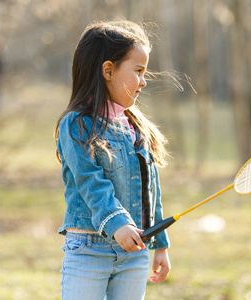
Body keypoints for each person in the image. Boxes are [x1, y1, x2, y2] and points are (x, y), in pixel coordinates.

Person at [54, 20, 171, 300]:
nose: (144, 81)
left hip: (134, 253)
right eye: (138, 71)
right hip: (89, 249)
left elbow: (149, 192)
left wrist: (160, 244)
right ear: (108, 70)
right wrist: (118, 224)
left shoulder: (136, 127)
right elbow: (91, 183)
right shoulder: (77, 125)